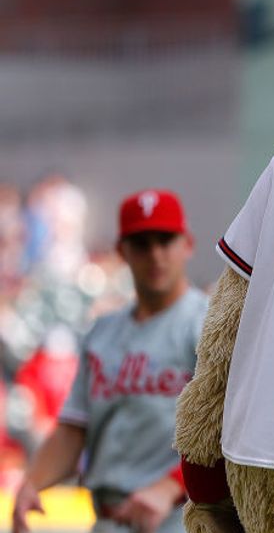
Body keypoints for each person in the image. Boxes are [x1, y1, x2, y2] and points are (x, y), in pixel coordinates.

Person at [12, 190, 207, 533]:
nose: (155, 254)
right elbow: (74, 429)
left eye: (165, 240)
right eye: (142, 243)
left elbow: (228, 430)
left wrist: (171, 486)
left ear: (187, 244)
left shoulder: (206, 325)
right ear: (122, 252)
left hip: (181, 518)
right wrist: (33, 482)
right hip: (107, 518)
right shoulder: (103, 332)